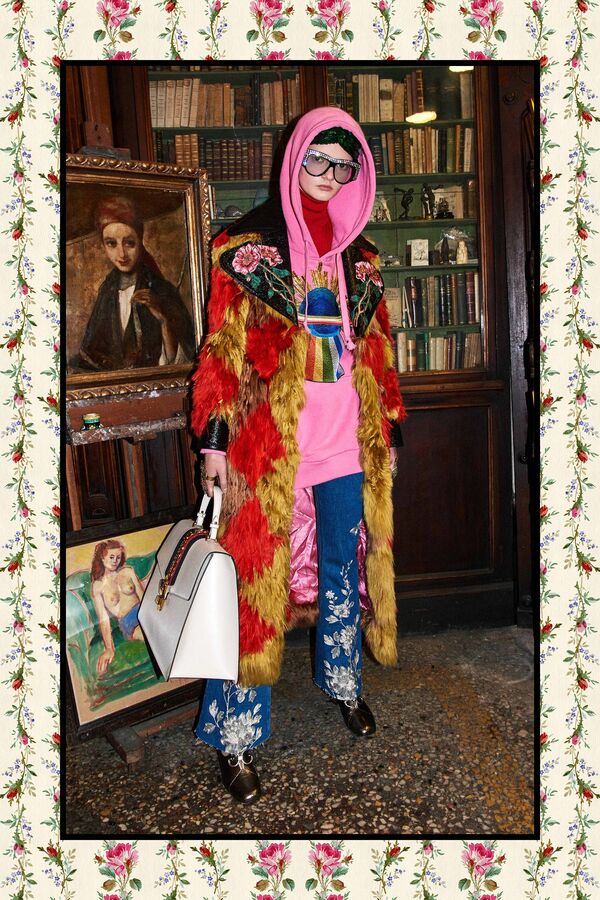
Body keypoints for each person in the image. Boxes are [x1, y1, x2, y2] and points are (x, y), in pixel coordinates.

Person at [190, 106, 407, 804]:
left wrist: (388, 431)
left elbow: (378, 353)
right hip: (268, 444)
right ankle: (236, 734)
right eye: (318, 158)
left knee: (344, 568)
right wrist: (214, 441)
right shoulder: (244, 249)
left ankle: (343, 682)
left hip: (346, 443)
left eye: (344, 165)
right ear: (294, 157)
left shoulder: (362, 259)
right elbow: (221, 350)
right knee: (254, 585)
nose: (329, 175)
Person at [73, 195, 195, 371]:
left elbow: (181, 362)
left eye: (129, 243)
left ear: (140, 240)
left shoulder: (163, 291)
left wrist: (163, 321)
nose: (122, 254)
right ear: (103, 246)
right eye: (112, 244)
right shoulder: (106, 292)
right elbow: (91, 356)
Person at [90, 539, 145, 675]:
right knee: (148, 635)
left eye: (118, 557)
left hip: (142, 611)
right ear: (102, 558)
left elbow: (143, 597)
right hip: (128, 621)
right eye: (111, 557)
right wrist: (109, 648)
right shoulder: (98, 586)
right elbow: (104, 620)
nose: (115, 561)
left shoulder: (128, 571)